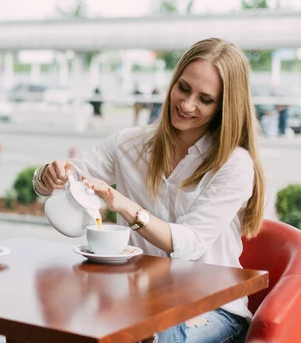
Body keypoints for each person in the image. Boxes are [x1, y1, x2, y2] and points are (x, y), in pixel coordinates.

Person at [32, 38, 265, 342]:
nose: (186, 104)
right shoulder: (129, 144)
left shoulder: (234, 164)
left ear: (224, 106)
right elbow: (71, 175)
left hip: (213, 307)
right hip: (139, 303)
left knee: (149, 335)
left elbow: (190, 243)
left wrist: (125, 207)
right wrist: (48, 174)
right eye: (183, 88)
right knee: (58, 321)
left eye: (204, 99)